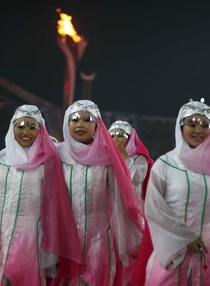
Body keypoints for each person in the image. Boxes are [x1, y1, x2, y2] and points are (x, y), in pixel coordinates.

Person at [143, 99, 210, 286]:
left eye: (205, 125)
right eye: (191, 124)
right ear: (180, 127)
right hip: (173, 248)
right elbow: (154, 207)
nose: (198, 130)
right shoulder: (165, 164)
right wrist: (184, 237)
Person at [0, 105, 83, 285]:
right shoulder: (0, 161)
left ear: (41, 130)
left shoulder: (48, 163)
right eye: (21, 126)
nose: (26, 132)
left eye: (33, 127)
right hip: (0, 235)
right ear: (12, 128)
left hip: (33, 239)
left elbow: (56, 205)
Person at [52, 100, 143, 286]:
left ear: (97, 125)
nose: (80, 124)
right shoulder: (57, 154)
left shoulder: (108, 155)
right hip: (64, 238)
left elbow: (123, 195)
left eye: (87, 119)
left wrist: (133, 231)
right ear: (67, 123)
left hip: (99, 238)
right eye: (75, 119)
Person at [108, 121, 154, 198]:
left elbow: (135, 180)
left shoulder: (139, 158)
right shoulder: (104, 158)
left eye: (120, 135)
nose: (115, 139)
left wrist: (123, 154)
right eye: (112, 136)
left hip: (131, 204)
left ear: (130, 139)